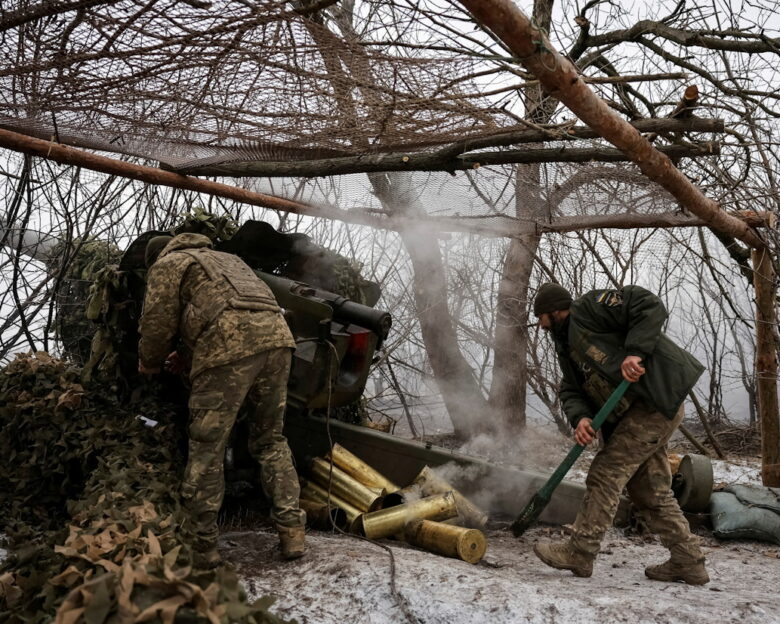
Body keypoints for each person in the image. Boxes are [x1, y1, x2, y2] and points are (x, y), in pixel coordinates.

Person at [138, 232, 306, 567]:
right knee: (270, 439)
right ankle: (292, 533)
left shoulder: (168, 264)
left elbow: (157, 323)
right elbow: (222, 309)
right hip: (278, 342)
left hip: (229, 347)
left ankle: (202, 546)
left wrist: (150, 363)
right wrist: (188, 354)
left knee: (207, 446)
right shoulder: (229, 261)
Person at [531, 282, 710, 585]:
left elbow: (646, 302)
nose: (541, 325)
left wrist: (635, 352)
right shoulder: (566, 346)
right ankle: (688, 560)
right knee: (647, 488)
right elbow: (571, 389)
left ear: (554, 310)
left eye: (542, 317)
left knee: (606, 470)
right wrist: (582, 418)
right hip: (633, 413)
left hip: (654, 399)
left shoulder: (589, 307)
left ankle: (580, 550)